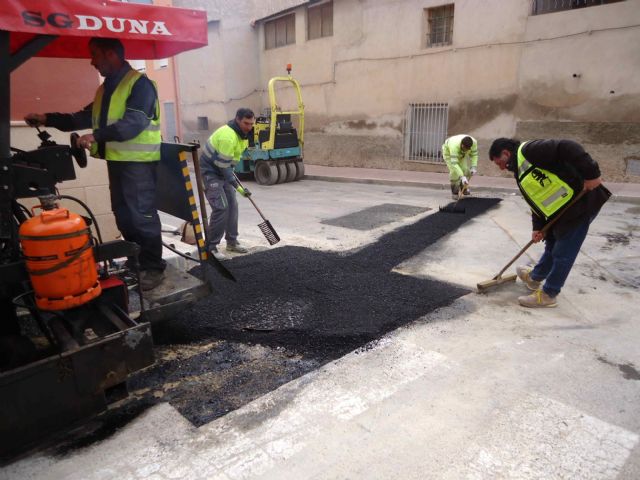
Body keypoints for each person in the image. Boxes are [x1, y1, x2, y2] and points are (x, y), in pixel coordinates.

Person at [25, 37, 166, 291]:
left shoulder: (140, 85)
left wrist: (95, 136)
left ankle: (153, 268)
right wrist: (47, 118)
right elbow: (80, 117)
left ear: (111, 54)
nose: (91, 62)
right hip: (118, 162)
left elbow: (134, 123)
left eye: (95, 55)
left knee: (141, 216)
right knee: (123, 215)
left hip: (139, 164)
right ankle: (137, 262)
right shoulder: (106, 90)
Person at [488, 138, 611, 308]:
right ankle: (535, 277)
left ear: (506, 153)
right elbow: (536, 200)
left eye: (499, 163)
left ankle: (549, 294)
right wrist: (538, 228)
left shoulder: (530, 151)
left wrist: (592, 174)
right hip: (559, 211)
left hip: (579, 204)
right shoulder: (520, 170)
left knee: (563, 251)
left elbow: (568, 146)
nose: (501, 168)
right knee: (552, 243)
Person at [200, 108, 255, 260]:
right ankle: (210, 248)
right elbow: (223, 167)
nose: (249, 127)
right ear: (237, 119)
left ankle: (232, 242)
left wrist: (237, 186)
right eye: (246, 123)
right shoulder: (227, 137)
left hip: (223, 169)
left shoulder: (242, 135)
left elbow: (229, 165)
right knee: (221, 207)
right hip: (211, 172)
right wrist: (238, 187)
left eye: (251, 124)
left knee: (232, 204)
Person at [442, 134, 478, 199]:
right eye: (465, 149)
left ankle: (464, 188)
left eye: (467, 149)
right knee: (454, 173)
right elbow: (454, 164)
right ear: (462, 145)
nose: (466, 150)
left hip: (462, 155)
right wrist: (462, 176)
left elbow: (474, 155)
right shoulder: (454, 146)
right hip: (449, 154)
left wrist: (473, 166)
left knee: (465, 169)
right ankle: (455, 192)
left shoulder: (474, 143)